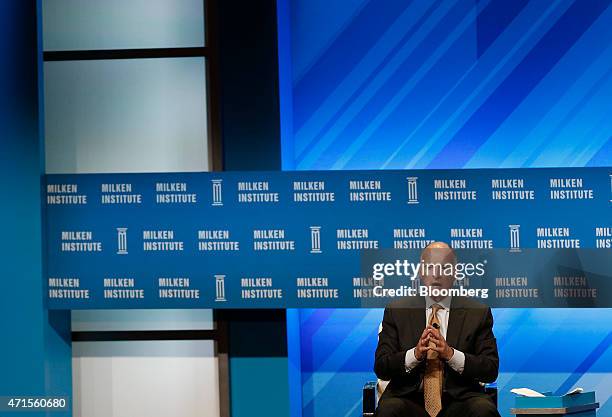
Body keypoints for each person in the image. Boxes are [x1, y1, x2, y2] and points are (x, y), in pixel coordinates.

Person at [374, 242, 500, 417]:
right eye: (430, 267)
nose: (437, 275)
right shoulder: (397, 311)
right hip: (408, 398)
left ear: (455, 273)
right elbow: (382, 367)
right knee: (389, 410)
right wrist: (415, 354)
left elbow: (490, 369)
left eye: (445, 268)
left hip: (460, 399)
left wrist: (450, 354)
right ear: (421, 272)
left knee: (483, 410)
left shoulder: (477, 313)